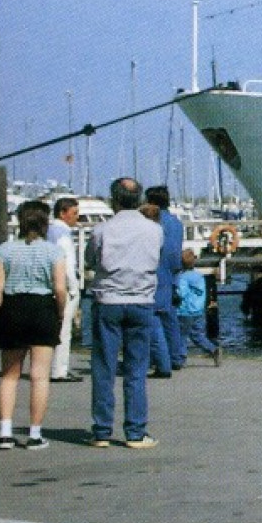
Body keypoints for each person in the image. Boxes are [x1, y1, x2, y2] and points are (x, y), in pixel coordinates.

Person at [88, 177, 163, 448]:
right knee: (136, 368)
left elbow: (91, 259)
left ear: (114, 199)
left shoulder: (102, 230)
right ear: (139, 199)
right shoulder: (154, 230)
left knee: (104, 367)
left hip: (108, 299)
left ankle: (102, 430)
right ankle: (135, 430)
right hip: (141, 299)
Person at [0, 201, 68, 449]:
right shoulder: (53, 251)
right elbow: (60, 287)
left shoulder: (5, 250)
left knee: (9, 374)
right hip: (42, 308)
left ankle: (5, 432)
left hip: (13, 307)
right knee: (39, 376)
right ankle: (35, 434)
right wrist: (60, 312)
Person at [141, 188, 186, 375]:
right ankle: (177, 356)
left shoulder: (151, 222)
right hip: (171, 269)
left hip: (154, 269)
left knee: (152, 318)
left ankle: (159, 358)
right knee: (170, 317)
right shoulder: (176, 223)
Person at [46, 197, 83, 382]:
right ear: (63, 213)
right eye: (74, 213)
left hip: (50, 284)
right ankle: (59, 369)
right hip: (65, 286)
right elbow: (67, 263)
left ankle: (51, 366)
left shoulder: (50, 231)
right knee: (64, 328)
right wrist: (74, 288)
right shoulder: (63, 234)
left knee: (53, 327)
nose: (77, 217)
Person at [173, 249, 220, 366]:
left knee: (181, 335)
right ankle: (213, 349)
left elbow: (181, 294)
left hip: (185, 311)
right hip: (198, 310)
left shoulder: (182, 277)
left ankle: (180, 358)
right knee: (197, 335)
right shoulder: (199, 276)